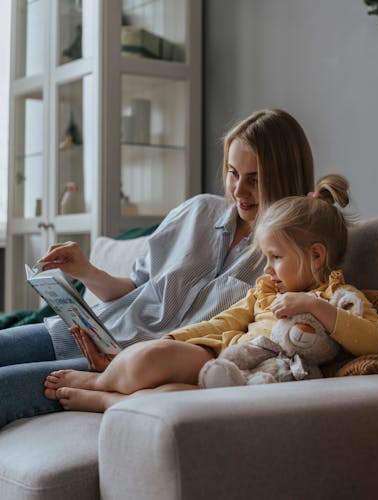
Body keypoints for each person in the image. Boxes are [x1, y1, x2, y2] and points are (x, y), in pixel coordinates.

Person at [0, 109, 315, 428]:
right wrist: (84, 270)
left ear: (284, 178)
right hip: (89, 332)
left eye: (255, 180)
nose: (238, 191)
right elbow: (135, 286)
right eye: (233, 173)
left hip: (127, 371)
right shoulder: (198, 211)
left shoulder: (287, 258)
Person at [44, 175, 378, 412]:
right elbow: (225, 321)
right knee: (149, 357)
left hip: (263, 380)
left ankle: (105, 400)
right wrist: (173, 339)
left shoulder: (340, 297)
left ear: (316, 256)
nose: (266, 268)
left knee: (170, 398)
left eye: (276, 258)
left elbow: (373, 339)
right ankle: (104, 381)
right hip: (225, 357)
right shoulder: (264, 292)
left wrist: (315, 306)